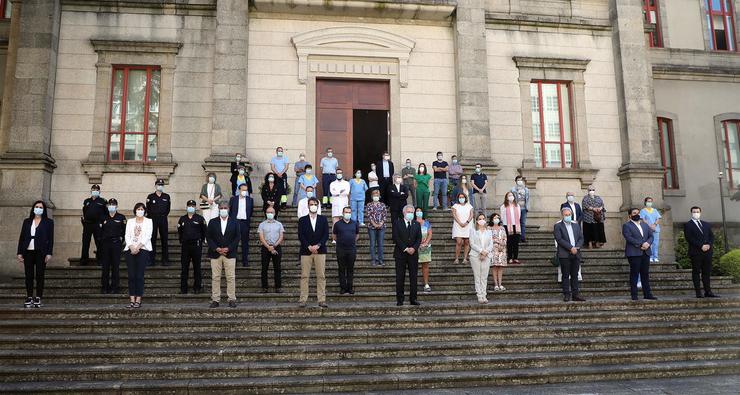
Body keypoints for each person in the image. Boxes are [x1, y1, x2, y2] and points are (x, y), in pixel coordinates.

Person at [17, 200, 54, 308]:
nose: (38, 209)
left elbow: (50, 239)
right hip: (28, 251)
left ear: (44, 210)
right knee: (29, 275)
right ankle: (29, 296)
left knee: (39, 275)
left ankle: (38, 297)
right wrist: (19, 252)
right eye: (37, 207)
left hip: (41, 252)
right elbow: (22, 237)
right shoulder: (27, 221)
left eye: (41, 207)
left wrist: (49, 253)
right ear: (33, 208)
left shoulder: (49, 222)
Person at [206, 202, 240, 308]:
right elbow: (208, 237)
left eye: (225, 208)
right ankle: (215, 300)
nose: (223, 209)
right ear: (219, 209)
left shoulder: (234, 222)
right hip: (215, 253)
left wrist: (228, 248)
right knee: (215, 277)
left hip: (230, 253)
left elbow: (237, 237)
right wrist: (216, 248)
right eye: (221, 208)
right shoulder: (212, 222)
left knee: (230, 277)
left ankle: (232, 299)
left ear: (229, 209)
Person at [298, 197, 329, 308]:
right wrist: (309, 246)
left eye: (315, 204)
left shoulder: (323, 219)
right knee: (304, 276)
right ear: (308, 205)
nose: (313, 206)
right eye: (311, 204)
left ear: (318, 205)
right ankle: (303, 300)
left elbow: (326, 234)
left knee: (321, 276)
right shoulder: (302, 220)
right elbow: (300, 235)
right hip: (306, 251)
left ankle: (321, 299)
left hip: (320, 251)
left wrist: (318, 245)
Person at [622, 207, 657, 301]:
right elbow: (628, 237)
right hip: (634, 253)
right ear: (630, 215)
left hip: (646, 252)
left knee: (645, 274)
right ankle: (634, 295)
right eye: (634, 213)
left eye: (638, 213)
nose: (636, 214)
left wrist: (647, 243)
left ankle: (647, 294)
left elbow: (651, 236)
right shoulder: (626, 225)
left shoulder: (645, 225)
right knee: (634, 273)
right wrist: (641, 244)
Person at [683, 206, 718, 298]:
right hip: (696, 252)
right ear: (691, 213)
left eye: (697, 212)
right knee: (696, 272)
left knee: (706, 272)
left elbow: (711, 236)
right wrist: (701, 246)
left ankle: (708, 291)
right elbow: (689, 238)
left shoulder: (706, 224)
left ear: (700, 212)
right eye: (694, 212)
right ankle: (698, 292)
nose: (696, 213)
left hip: (707, 252)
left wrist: (708, 245)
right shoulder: (688, 225)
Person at [123, 203, 152, 309]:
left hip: (143, 249)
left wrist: (138, 247)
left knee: (139, 276)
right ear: (135, 210)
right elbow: (127, 235)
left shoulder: (149, 221)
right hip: (130, 250)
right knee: (131, 276)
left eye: (142, 209)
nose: (140, 211)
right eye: (138, 209)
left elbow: (148, 236)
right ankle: (131, 300)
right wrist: (131, 247)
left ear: (144, 211)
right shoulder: (130, 222)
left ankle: (138, 300)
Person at [554, 207, 585, 302]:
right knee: (565, 275)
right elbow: (559, 239)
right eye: (566, 215)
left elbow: (581, 238)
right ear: (562, 215)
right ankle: (566, 294)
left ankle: (575, 294)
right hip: (564, 254)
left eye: (569, 215)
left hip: (576, 253)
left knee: (575, 275)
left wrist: (576, 247)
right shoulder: (558, 226)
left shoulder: (576, 225)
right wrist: (570, 248)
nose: (568, 216)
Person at [393, 205, 422, 306]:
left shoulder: (417, 224)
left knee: (413, 277)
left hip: (413, 254)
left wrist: (414, 248)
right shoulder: (397, 223)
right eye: (408, 212)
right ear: (404, 213)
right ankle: (400, 299)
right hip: (400, 254)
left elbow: (419, 238)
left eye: (411, 212)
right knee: (400, 277)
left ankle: (413, 299)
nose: (410, 214)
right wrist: (405, 248)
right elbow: (396, 237)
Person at [177, 200, 207, 294]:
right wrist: (182, 240)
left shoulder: (200, 218)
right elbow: (180, 231)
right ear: (187, 207)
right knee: (184, 267)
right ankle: (183, 288)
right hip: (185, 245)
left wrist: (201, 241)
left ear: (195, 207)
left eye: (193, 206)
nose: (191, 207)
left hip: (196, 245)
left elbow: (204, 231)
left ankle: (197, 287)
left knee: (197, 267)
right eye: (189, 205)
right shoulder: (182, 219)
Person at [99, 199, 125, 294]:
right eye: (110, 204)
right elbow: (100, 231)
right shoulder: (103, 217)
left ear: (117, 206)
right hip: (105, 244)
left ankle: (115, 286)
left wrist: (121, 240)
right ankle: (105, 286)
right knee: (105, 266)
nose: (111, 206)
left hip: (116, 244)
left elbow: (124, 231)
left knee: (115, 266)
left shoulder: (121, 217)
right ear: (107, 206)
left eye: (113, 204)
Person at [258, 206, 284, 293]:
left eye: (271, 212)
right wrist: (268, 247)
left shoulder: (279, 224)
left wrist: (274, 246)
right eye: (268, 212)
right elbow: (261, 237)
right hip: (265, 248)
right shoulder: (262, 224)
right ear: (266, 213)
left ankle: (278, 287)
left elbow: (281, 237)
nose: (270, 214)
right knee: (264, 268)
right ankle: (264, 287)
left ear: (274, 213)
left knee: (277, 268)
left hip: (276, 247)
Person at [334, 206, 360, 294]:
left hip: (351, 249)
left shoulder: (354, 223)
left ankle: (350, 287)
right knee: (341, 269)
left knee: (350, 269)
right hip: (340, 249)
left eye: (349, 212)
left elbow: (357, 235)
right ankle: (343, 287)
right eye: (346, 212)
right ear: (343, 213)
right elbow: (334, 235)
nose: (348, 214)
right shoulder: (337, 224)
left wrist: (351, 241)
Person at [469, 212, 493, 304]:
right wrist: (481, 251)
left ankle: (484, 295)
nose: (481, 220)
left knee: (484, 277)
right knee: (477, 276)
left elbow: (491, 244)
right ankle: (479, 295)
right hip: (475, 255)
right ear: (476, 221)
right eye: (480, 219)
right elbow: (472, 243)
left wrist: (485, 252)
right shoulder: (473, 231)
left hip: (486, 256)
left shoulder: (489, 232)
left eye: (483, 218)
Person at [146, 178, 171, 266]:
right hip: (153, 219)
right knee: (152, 239)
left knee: (164, 239)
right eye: (158, 185)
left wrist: (163, 215)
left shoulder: (166, 196)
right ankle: (151, 260)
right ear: (155, 185)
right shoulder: (150, 196)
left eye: (161, 185)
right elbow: (147, 209)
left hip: (163, 219)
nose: (160, 186)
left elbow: (168, 209)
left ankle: (165, 260)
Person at [80, 184, 107, 266]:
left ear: (99, 191)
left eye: (97, 189)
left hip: (98, 224)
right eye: (93, 189)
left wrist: (102, 223)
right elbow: (84, 211)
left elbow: (106, 213)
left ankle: (100, 260)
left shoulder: (103, 201)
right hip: (88, 224)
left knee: (99, 242)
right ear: (91, 190)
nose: (95, 191)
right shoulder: (87, 201)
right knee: (85, 242)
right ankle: (84, 260)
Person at [229, 183, 254, 267]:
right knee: (233, 242)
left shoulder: (250, 200)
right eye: (243, 190)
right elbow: (231, 211)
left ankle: (245, 261)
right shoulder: (233, 199)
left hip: (244, 223)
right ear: (239, 190)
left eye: (246, 190)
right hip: (235, 222)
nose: (244, 191)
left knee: (245, 242)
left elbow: (251, 212)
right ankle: (233, 260)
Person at [366, 189, 387, 267]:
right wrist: (374, 224)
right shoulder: (369, 205)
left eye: (377, 195)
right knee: (372, 244)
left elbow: (385, 215)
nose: (376, 196)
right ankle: (373, 260)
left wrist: (380, 223)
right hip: (371, 227)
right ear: (372, 196)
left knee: (380, 244)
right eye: (374, 195)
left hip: (382, 227)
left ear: (379, 196)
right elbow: (369, 216)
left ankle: (381, 260)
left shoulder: (383, 205)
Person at [500, 191, 522, 264]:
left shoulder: (517, 205)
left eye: (512, 195)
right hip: (507, 226)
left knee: (516, 243)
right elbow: (502, 217)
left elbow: (519, 215)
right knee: (509, 242)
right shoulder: (503, 206)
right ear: (506, 197)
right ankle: (509, 258)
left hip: (516, 225)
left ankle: (515, 257)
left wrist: (515, 223)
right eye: (509, 195)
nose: (511, 197)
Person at [451, 193, 474, 264]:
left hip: (468, 225)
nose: (461, 198)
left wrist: (467, 222)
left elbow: (471, 215)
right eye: (460, 197)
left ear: (465, 198)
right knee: (459, 242)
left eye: (463, 197)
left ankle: (465, 258)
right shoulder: (455, 206)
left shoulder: (469, 205)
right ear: (458, 198)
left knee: (467, 242)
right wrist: (460, 223)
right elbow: (454, 215)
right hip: (458, 225)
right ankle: (456, 258)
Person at [488, 212, 507, 291]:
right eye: (495, 218)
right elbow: (489, 238)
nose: (497, 219)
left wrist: (503, 244)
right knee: (495, 267)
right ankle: (496, 284)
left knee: (500, 267)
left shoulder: (502, 228)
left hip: (502, 250)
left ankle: (500, 284)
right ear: (492, 219)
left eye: (498, 218)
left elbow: (505, 238)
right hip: (493, 249)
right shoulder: (489, 228)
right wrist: (498, 242)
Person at [415, 207, 433, 292]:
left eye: (420, 211)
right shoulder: (413, 222)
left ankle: (426, 284)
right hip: (415, 247)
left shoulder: (426, 223)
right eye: (417, 211)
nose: (419, 212)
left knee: (425, 265)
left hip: (425, 247)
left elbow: (430, 234)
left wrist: (425, 243)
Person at [329, 169, 350, 239]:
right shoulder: (332, 183)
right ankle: (334, 239)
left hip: (344, 203)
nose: (339, 174)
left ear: (342, 173)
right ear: (335, 174)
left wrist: (337, 192)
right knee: (335, 222)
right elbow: (333, 192)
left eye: (340, 173)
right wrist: (340, 191)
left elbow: (347, 192)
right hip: (335, 203)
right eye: (338, 173)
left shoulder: (346, 183)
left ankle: (344, 237)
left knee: (344, 221)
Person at [640, 197, 662, 262]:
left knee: (656, 243)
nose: (649, 203)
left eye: (650, 201)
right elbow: (643, 219)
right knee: (649, 243)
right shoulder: (643, 211)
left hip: (655, 229)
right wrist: (650, 226)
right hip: (647, 229)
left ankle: (655, 257)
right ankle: (650, 256)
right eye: (648, 201)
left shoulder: (655, 210)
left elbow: (658, 218)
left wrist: (654, 225)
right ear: (645, 202)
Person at [511, 175, 529, 242]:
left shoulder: (526, 190)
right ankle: (517, 237)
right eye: (518, 180)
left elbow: (527, 199)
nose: (520, 181)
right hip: (516, 208)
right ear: (516, 181)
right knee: (516, 223)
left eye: (521, 180)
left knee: (523, 223)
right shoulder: (513, 190)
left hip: (524, 208)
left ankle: (523, 237)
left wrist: (527, 207)